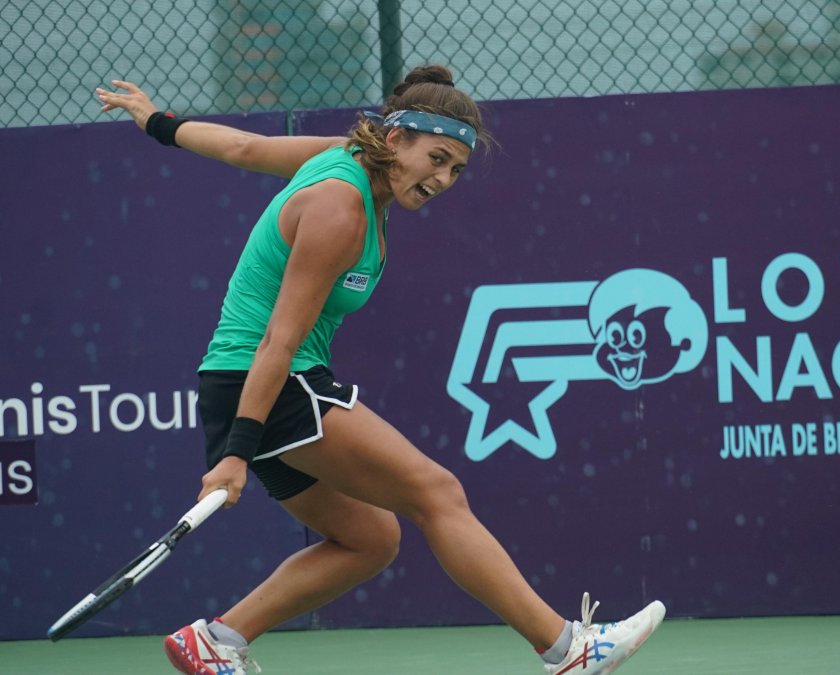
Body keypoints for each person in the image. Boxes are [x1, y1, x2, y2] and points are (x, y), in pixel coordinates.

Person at [95, 66, 665, 674]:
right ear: (395, 141)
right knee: (437, 492)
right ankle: (566, 649)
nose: (443, 178)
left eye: (456, 169)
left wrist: (158, 123)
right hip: (270, 383)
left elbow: (245, 148)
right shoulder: (340, 208)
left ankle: (217, 642)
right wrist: (236, 452)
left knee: (370, 540)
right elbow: (278, 341)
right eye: (436, 158)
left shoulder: (351, 163)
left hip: (240, 384)